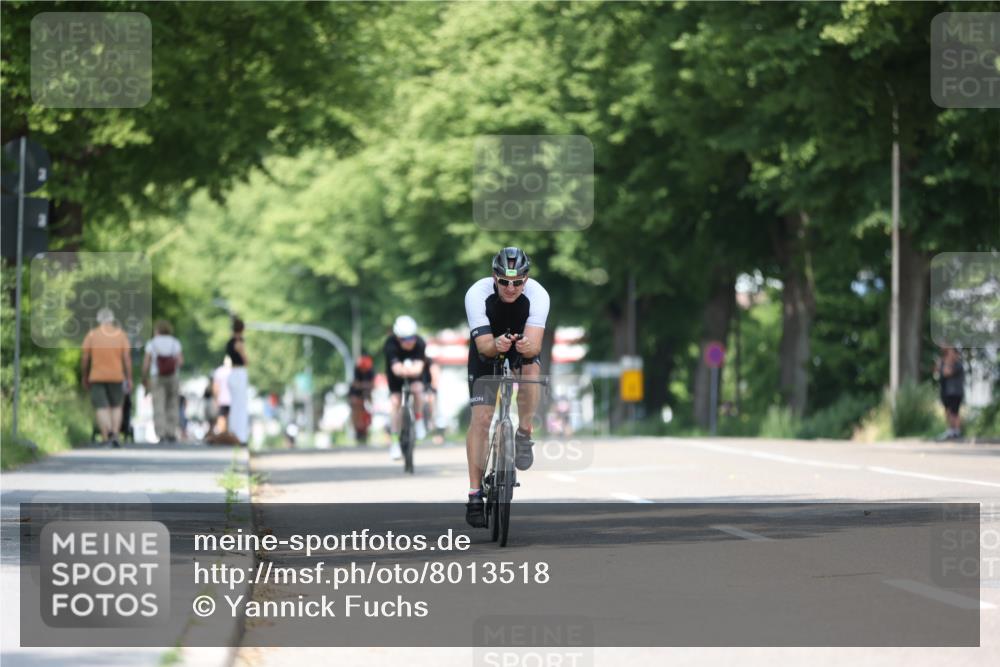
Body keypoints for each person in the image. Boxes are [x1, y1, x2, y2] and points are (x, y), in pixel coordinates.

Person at [463, 247, 549, 527]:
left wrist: (525, 347)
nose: (511, 288)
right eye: (504, 282)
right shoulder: (477, 294)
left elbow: (535, 345)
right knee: (482, 419)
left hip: (521, 348)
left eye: (517, 282)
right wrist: (495, 344)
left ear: (526, 280)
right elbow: (484, 348)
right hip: (487, 348)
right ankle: (475, 494)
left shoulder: (538, 295)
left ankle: (524, 434)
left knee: (531, 370)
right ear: (494, 277)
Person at [81, 307, 133, 448]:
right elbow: (127, 358)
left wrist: (84, 375)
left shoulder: (92, 335)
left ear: (99, 320)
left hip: (96, 376)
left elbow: (85, 358)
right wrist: (129, 378)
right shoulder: (121, 335)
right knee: (117, 406)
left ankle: (107, 435)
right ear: (111, 320)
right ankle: (115, 434)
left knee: (101, 406)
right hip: (117, 376)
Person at [384, 315, 428, 460]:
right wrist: (407, 369)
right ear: (397, 337)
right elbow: (396, 370)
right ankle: (395, 443)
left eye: (411, 338)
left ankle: (419, 419)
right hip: (395, 375)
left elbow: (419, 369)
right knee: (395, 402)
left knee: (417, 389)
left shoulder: (420, 343)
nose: (409, 342)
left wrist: (410, 370)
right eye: (404, 339)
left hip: (412, 372)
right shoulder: (390, 345)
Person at [141, 319, 184, 443]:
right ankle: (171, 432)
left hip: (157, 376)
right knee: (172, 404)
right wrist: (170, 363)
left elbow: (146, 363)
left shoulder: (152, 343)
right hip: (173, 376)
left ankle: (161, 433)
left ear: (157, 330)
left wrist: (144, 377)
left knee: (158, 404)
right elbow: (180, 361)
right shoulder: (175, 343)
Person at [226, 318, 250, 445]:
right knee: (241, 407)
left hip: (232, 373)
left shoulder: (229, 342)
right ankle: (241, 437)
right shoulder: (239, 342)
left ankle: (233, 433)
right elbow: (246, 361)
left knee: (235, 406)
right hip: (239, 373)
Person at [935, 345, 965, 441]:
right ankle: (951, 430)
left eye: (952, 352)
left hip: (956, 392)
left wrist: (946, 362)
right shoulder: (944, 362)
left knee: (954, 412)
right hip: (947, 391)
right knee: (949, 411)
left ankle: (956, 431)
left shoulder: (958, 365)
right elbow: (937, 370)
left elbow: (946, 372)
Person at [348, 354, 375, 444]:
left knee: (371, 406)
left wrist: (365, 387)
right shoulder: (356, 370)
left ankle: (367, 424)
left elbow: (372, 385)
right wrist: (363, 385)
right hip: (356, 392)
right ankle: (354, 425)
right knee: (355, 404)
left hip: (367, 391)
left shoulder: (370, 371)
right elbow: (355, 384)